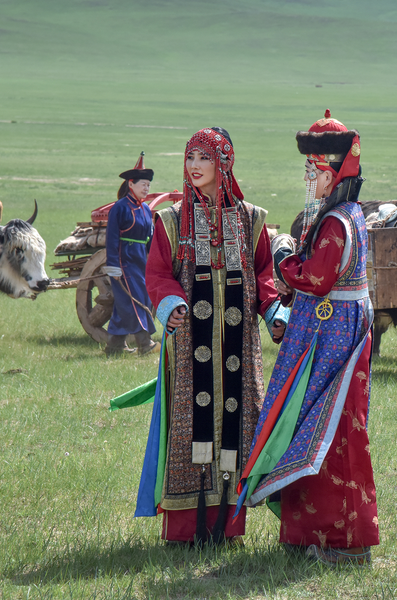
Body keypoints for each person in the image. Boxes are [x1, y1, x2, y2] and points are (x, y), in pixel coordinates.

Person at [238, 110, 379, 566]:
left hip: (332, 336)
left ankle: (340, 541)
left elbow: (317, 279)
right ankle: (316, 536)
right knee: (329, 429)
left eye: (315, 169)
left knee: (326, 433)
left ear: (335, 171)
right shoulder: (348, 213)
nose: (309, 177)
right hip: (341, 331)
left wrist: (282, 259)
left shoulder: (336, 223)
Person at [135, 127, 288, 544]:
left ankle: (229, 527)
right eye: (190, 158)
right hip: (189, 348)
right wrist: (172, 304)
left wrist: (274, 310)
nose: (195, 166)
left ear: (224, 163)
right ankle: (186, 531)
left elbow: (263, 275)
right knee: (190, 429)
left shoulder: (252, 219)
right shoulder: (169, 221)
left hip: (240, 348)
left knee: (237, 430)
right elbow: (158, 274)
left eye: (205, 158)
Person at [103, 152, 158, 356]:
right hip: (124, 260)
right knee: (134, 298)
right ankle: (145, 342)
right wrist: (113, 266)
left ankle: (114, 346)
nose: (146, 188)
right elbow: (112, 239)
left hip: (140, 259)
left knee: (126, 301)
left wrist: (154, 261)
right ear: (131, 184)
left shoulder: (145, 209)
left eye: (148, 185)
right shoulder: (119, 208)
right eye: (143, 184)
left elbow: (150, 239)